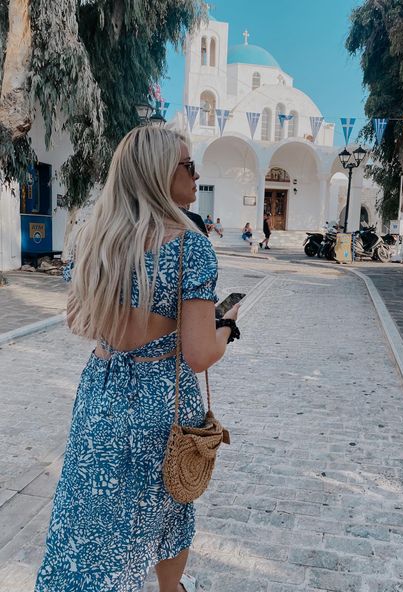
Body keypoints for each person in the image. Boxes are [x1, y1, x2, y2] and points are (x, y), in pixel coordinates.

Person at [34, 127, 240, 592]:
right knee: (172, 507)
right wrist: (228, 325)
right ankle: (171, 590)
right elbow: (200, 353)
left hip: (101, 396)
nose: (196, 174)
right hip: (161, 405)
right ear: (159, 174)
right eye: (188, 166)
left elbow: (78, 323)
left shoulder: (96, 240)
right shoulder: (190, 247)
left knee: (89, 518)